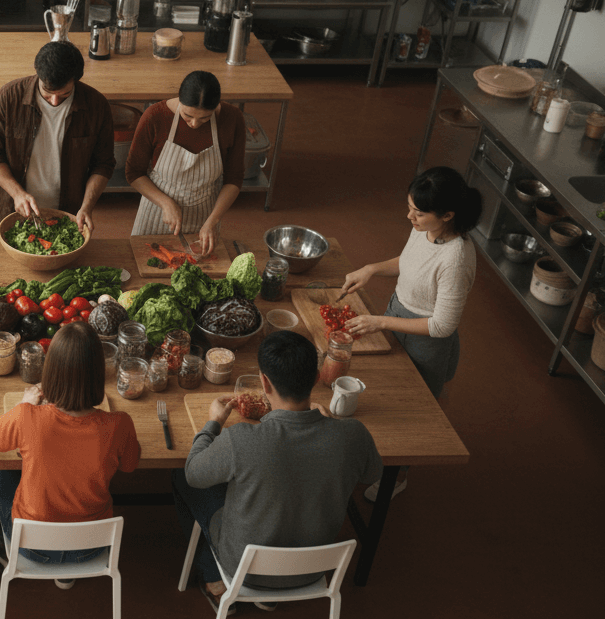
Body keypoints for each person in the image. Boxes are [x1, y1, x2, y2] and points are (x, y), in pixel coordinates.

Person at [173, 331, 382, 614]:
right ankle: (267, 597)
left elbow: (193, 473)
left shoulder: (241, 439)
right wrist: (332, 427)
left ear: (264, 382)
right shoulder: (354, 435)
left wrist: (213, 424)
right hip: (313, 571)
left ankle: (214, 580)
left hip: (246, 569)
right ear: (318, 377)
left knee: (181, 478)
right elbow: (372, 475)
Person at [339, 165, 480, 501]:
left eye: (418, 212)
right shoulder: (425, 229)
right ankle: (375, 456)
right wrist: (372, 268)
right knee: (386, 389)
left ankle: (398, 474)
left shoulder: (456, 258)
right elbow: (409, 261)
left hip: (427, 339)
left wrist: (381, 322)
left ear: (447, 215)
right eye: (410, 208)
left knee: (412, 408)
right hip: (397, 312)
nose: (410, 217)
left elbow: (442, 324)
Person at [0, 323, 139, 589]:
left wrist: (23, 406)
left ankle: (5, 549)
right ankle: (66, 570)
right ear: (99, 373)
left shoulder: (27, 416)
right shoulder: (120, 423)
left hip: (33, 548)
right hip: (91, 547)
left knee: (6, 473)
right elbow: (130, 465)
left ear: (49, 371)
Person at [0, 41, 115, 238]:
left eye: (65, 94)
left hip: (68, 216)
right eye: (47, 92)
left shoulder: (96, 106)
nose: (54, 101)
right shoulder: (10, 97)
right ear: (38, 75)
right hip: (11, 211)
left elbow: (103, 164)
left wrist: (87, 206)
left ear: (76, 80)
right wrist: (17, 193)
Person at [127, 70, 247, 253]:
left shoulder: (233, 118)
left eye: (205, 118)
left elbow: (234, 179)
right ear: (180, 100)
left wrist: (212, 221)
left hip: (205, 214)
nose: (194, 124)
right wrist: (166, 203)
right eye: (188, 116)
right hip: (156, 210)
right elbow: (134, 172)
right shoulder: (155, 116)